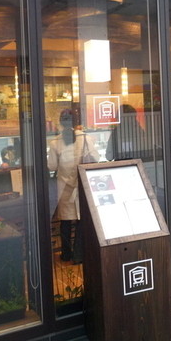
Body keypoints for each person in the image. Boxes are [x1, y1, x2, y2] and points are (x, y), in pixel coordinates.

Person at [47, 109, 99, 263]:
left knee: (65, 221)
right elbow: (95, 158)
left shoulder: (55, 142)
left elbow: (51, 166)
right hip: (82, 183)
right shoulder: (86, 138)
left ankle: (66, 254)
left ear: (60, 122)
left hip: (64, 186)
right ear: (76, 121)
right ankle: (79, 255)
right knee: (81, 219)